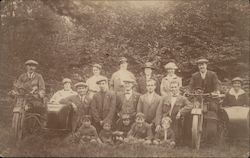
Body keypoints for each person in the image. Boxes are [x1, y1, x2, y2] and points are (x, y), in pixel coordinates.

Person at [12, 60, 46, 125]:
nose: (31, 68)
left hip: (34, 98)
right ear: (26, 67)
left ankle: (40, 123)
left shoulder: (39, 76)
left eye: (33, 66)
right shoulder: (22, 76)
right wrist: (15, 91)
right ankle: (17, 122)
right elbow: (17, 86)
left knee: (39, 107)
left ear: (35, 68)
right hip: (23, 97)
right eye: (29, 66)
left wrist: (40, 93)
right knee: (17, 104)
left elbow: (42, 88)